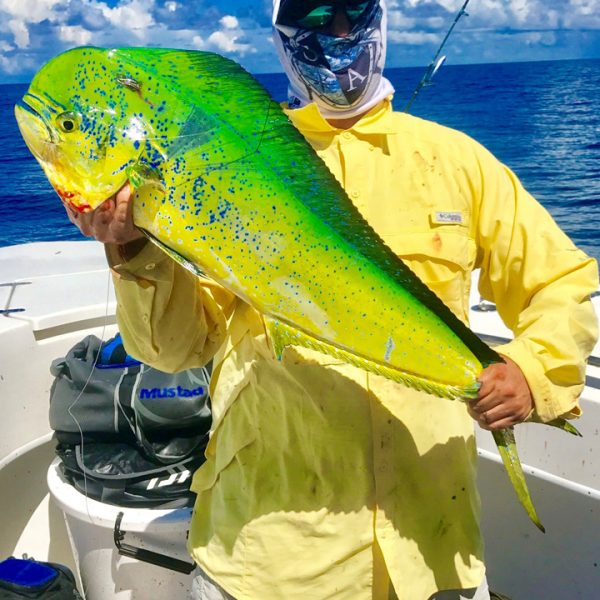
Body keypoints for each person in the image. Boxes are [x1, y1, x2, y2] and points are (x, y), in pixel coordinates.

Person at [63, 1, 599, 598]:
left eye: (353, 12)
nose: (338, 35)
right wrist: (132, 248)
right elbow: (175, 348)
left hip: (431, 549)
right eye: (313, 18)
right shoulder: (227, 164)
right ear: (280, 38)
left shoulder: (458, 161)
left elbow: (562, 282)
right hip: (269, 557)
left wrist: (532, 371)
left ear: (382, 19)